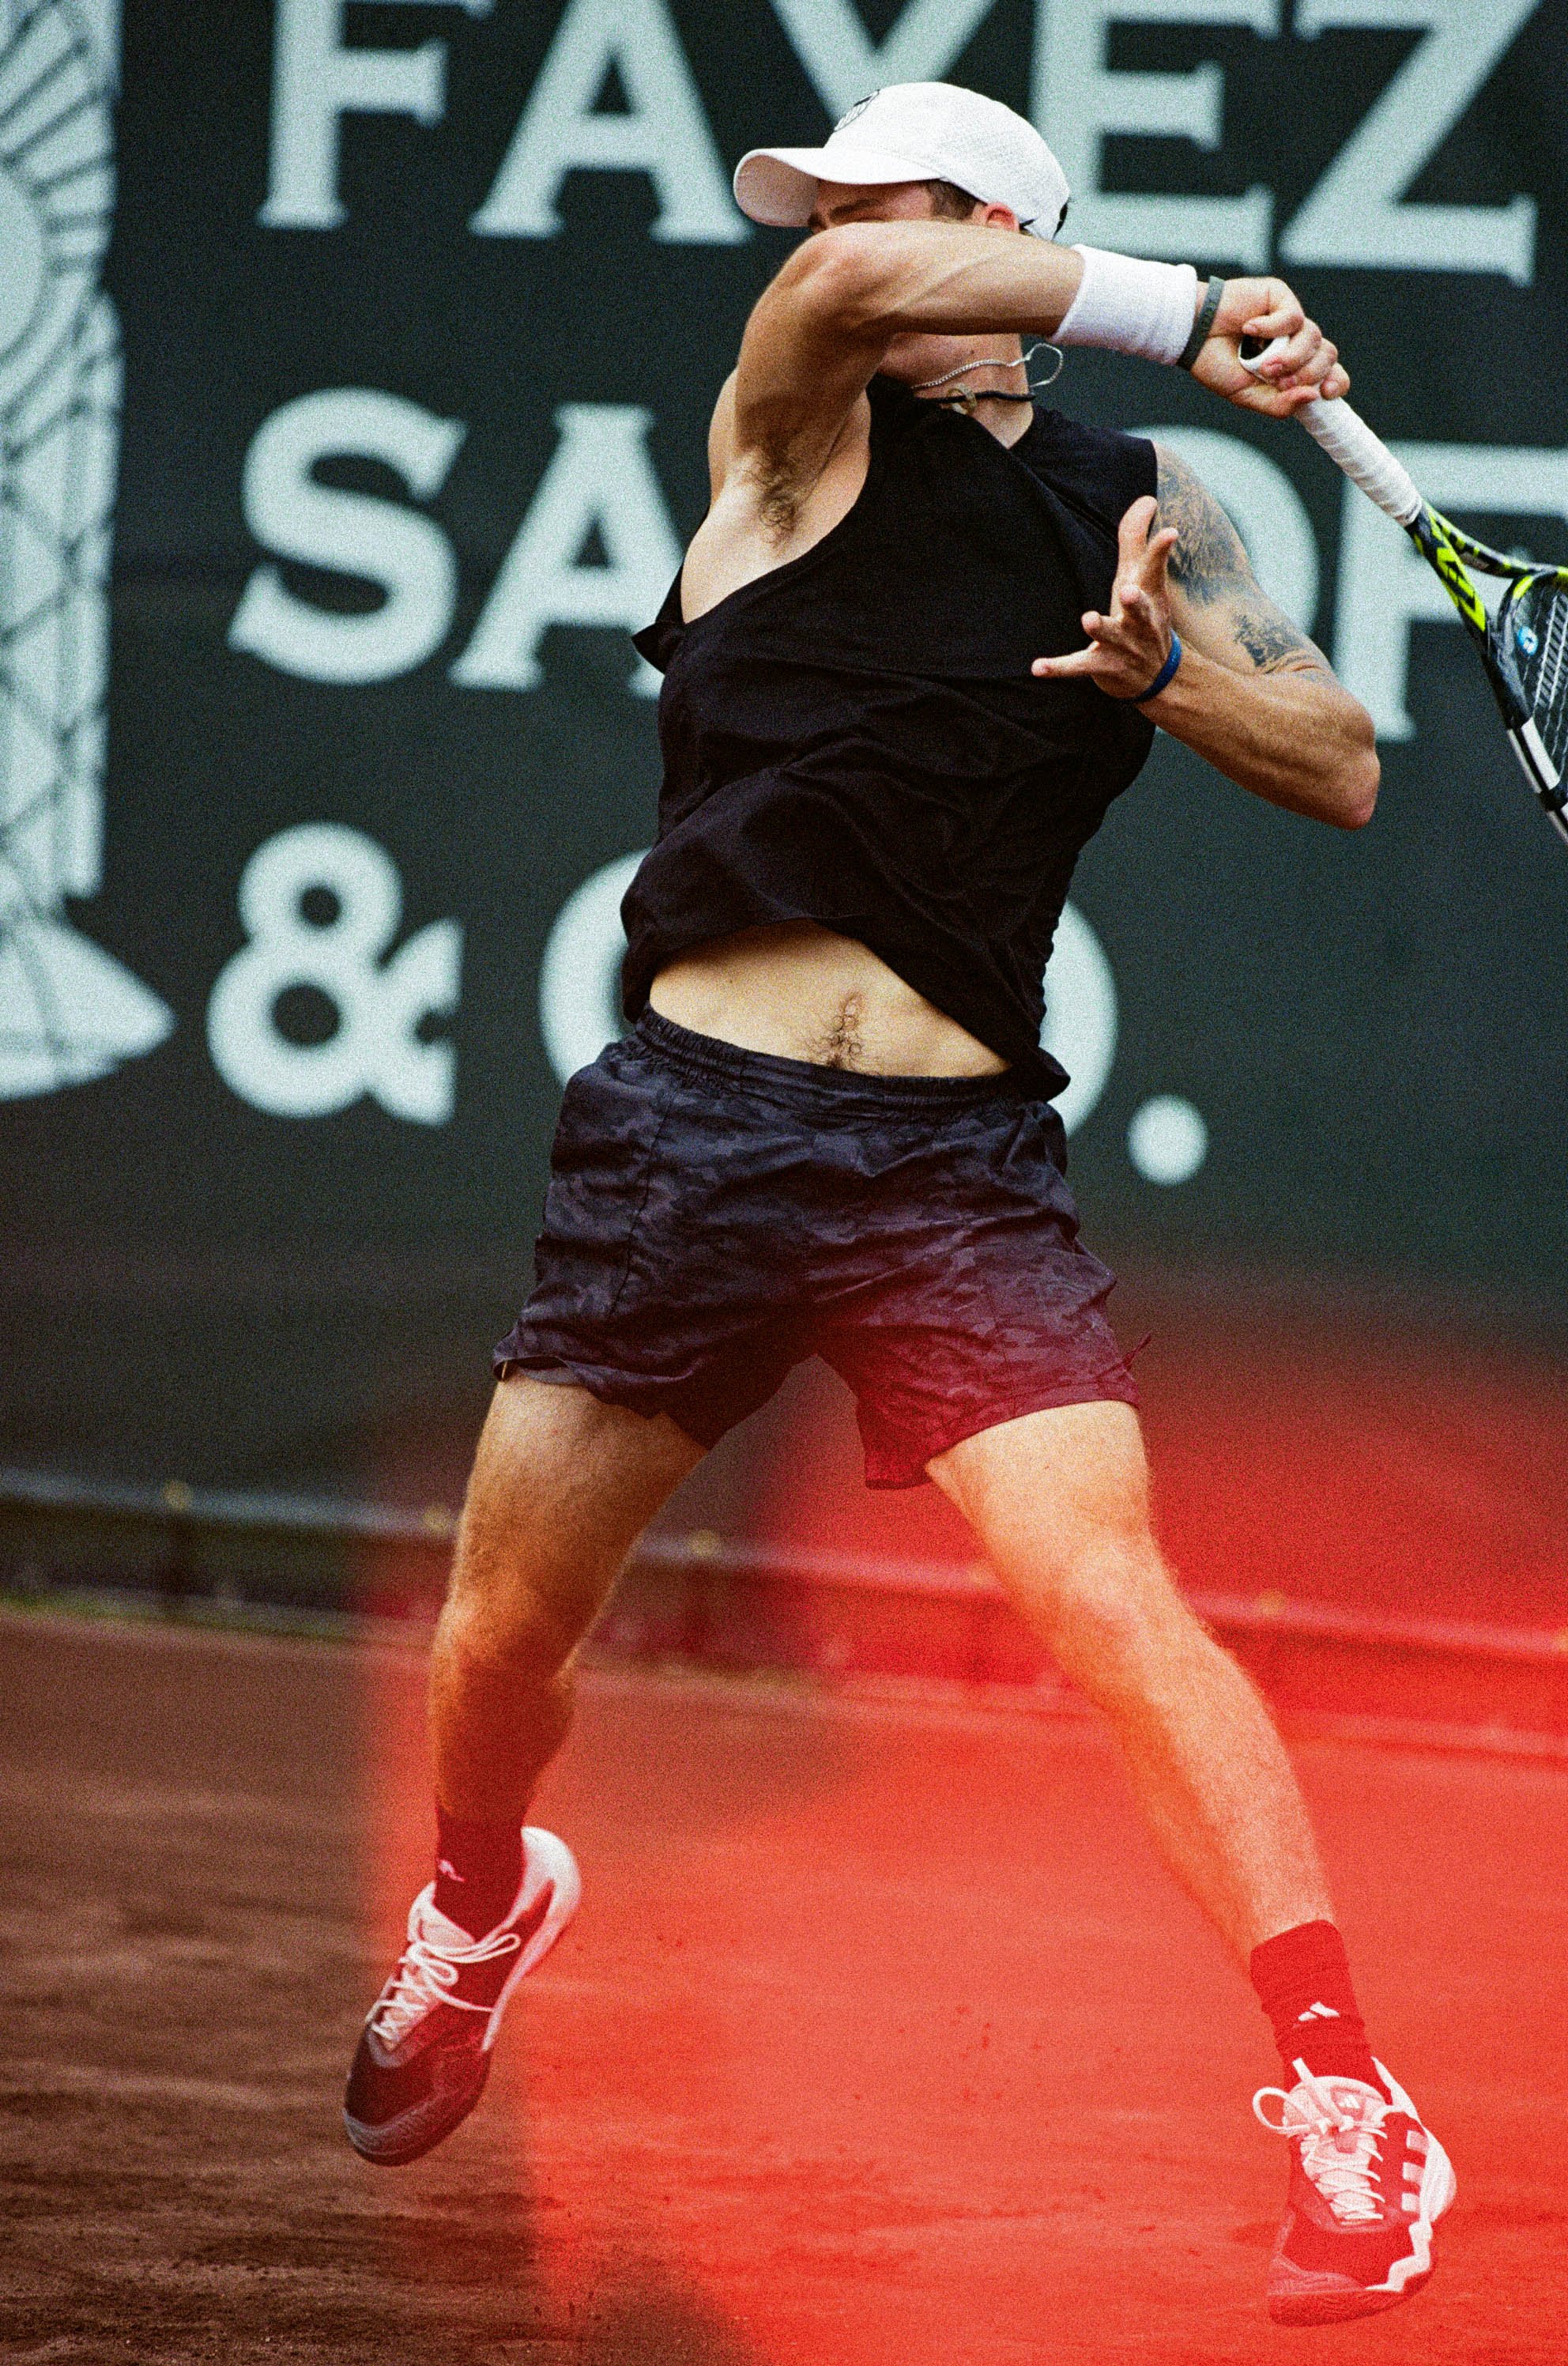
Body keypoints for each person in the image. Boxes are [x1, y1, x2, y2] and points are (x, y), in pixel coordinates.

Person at [344, 83, 1452, 2327]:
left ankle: (1348, 2094)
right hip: (688, 1136)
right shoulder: (787, 429)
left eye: (884, 202)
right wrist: (1182, 307)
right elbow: (850, 286)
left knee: (1114, 1606)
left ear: (1003, 235)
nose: (832, 239)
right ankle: (477, 1895)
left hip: (953, 1175)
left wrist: (1172, 681)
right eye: (824, 211)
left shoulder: (1150, 508)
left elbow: (1337, 760)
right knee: (495, 1642)